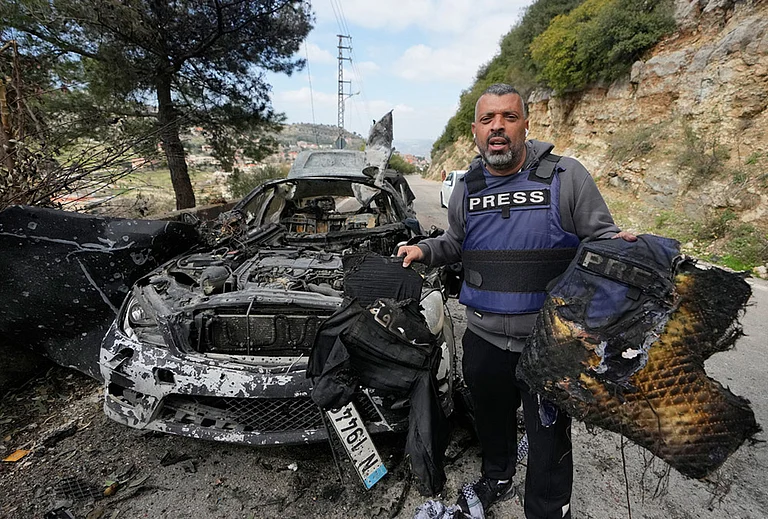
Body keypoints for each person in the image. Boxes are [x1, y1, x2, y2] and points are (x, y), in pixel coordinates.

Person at [398, 83, 635, 519]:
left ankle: (545, 509)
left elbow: (601, 239)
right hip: (484, 339)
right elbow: (455, 241)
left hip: (549, 343)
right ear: (475, 130)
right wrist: (424, 251)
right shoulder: (468, 185)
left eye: (508, 117)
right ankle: (498, 475)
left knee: (548, 435)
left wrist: (624, 247)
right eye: (488, 120)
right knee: (491, 419)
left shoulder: (567, 176)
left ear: (526, 124)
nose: (498, 128)